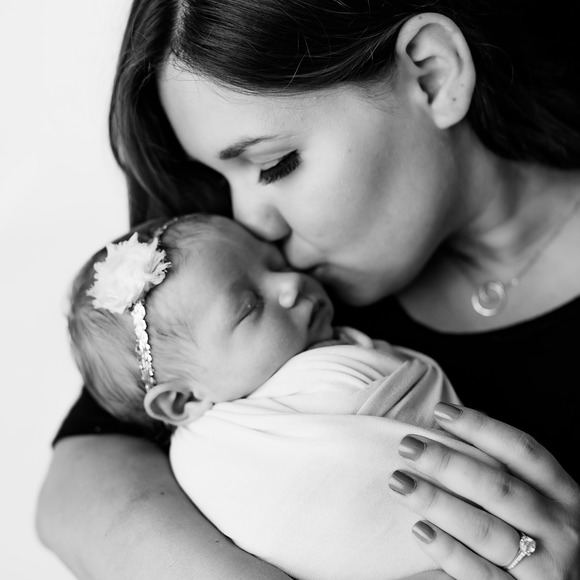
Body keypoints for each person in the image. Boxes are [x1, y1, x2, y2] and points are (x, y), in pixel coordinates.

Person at [36, 1, 580, 579]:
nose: (251, 219)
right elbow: (78, 485)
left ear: (432, 74)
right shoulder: (252, 296)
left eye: (275, 164)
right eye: (219, 175)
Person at [69, 212, 500, 579]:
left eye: (275, 262)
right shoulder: (213, 455)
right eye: (250, 306)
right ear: (181, 402)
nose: (292, 282)